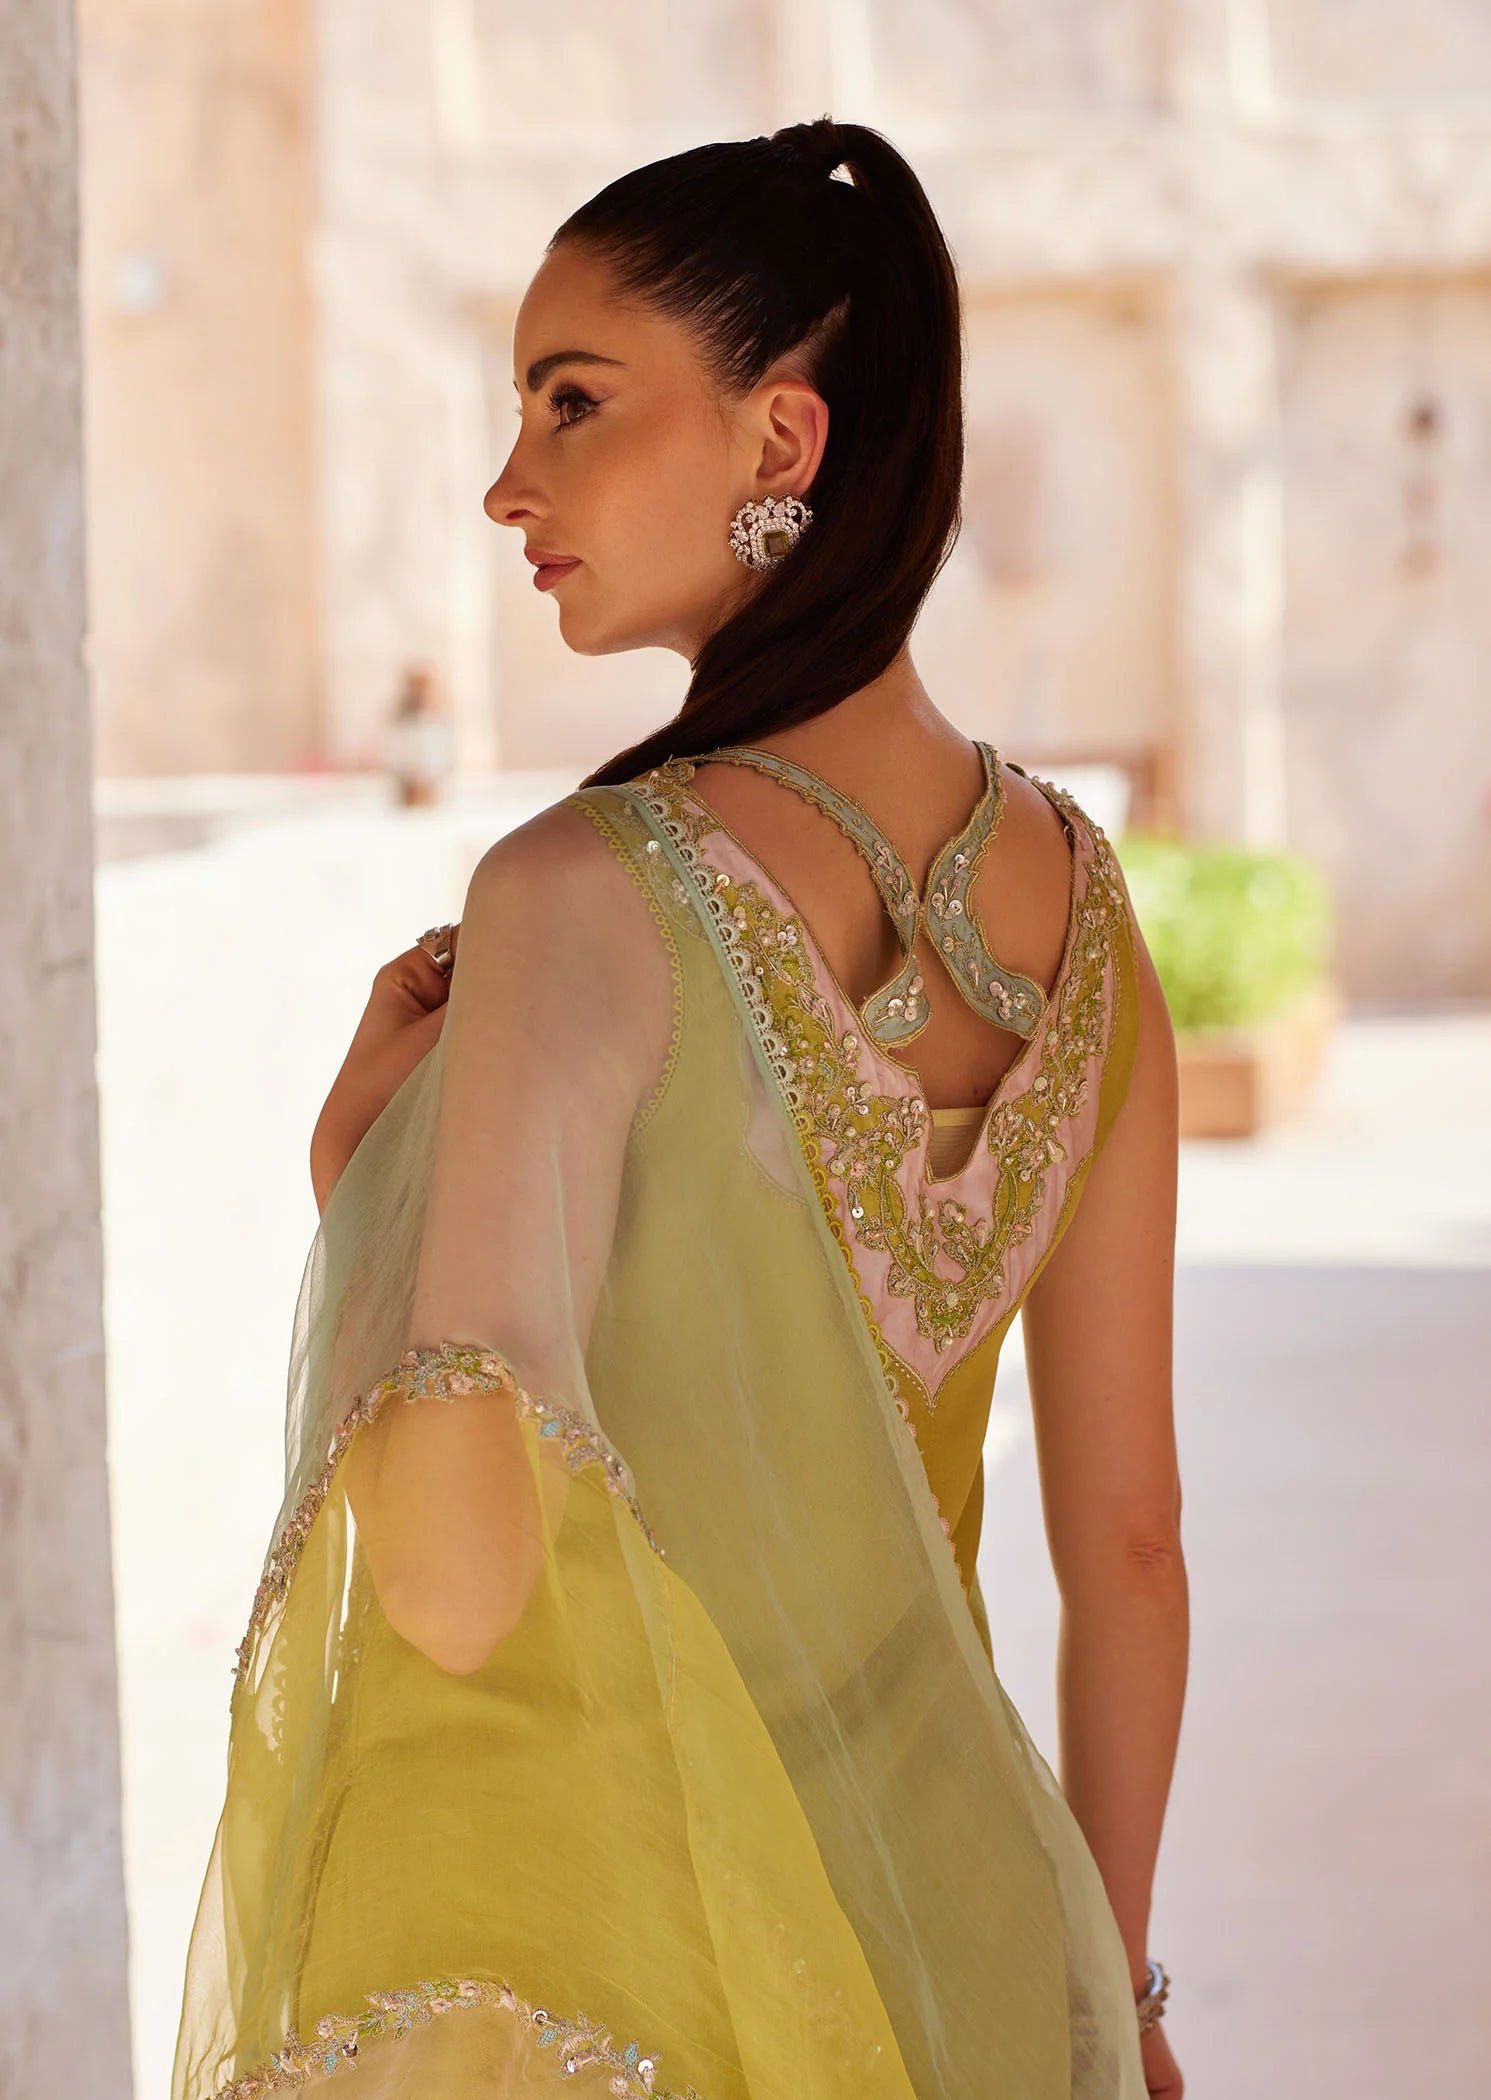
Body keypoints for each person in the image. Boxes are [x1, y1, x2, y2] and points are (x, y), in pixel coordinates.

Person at [173, 117, 1187, 2100]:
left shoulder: (579, 897)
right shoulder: (1082, 909)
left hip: (629, 1976)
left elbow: (459, 1585)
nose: (507, 482)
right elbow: (1132, 1547)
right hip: (960, 1932)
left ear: (780, 439)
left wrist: (360, 1178)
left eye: (572, 402)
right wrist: (1108, 1995)